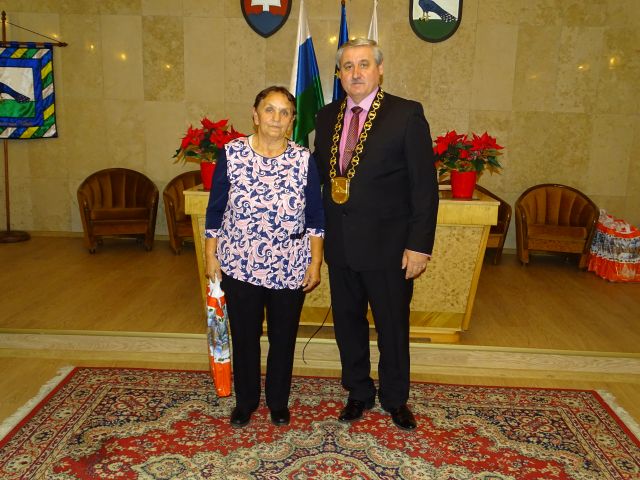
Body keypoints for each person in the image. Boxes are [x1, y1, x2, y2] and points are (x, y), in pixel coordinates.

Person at [313, 38, 439, 430]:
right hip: (341, 245)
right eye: (348, 66)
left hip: (389, 249)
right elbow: (317, 175)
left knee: (392, 327)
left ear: (380, 69)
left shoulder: (405, 114)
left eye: (364, 64)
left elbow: (424, 187)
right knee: (347, 324)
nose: (355, 73)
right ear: (339, 74)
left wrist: (419, 245)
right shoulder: (326, 116)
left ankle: (396, 398)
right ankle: (358, 391)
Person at [204, 85, 324, 428]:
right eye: (269, 110)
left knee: (283, 338)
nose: (276, 117)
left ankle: (278, 402)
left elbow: (316, 217)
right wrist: (211, 256)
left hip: (289, 265)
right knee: (245, 336)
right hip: (240, 264)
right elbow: (215, 210)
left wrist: (315, 262)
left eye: (285, 112)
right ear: (255, 116)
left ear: (292, 121)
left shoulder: (304, 159)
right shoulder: (232, 154)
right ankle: (246, 401)